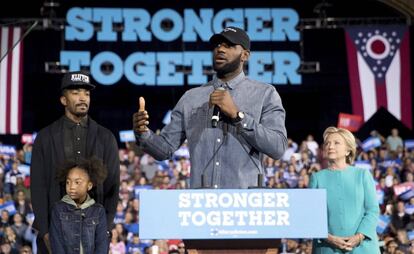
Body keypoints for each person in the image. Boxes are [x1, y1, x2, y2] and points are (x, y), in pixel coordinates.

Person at [133, 27, 287, 189]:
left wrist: (238, 116)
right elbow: (165, 149)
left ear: (245, 55)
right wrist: (143, 133)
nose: (220, 49)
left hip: (245, 205)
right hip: (202, 206)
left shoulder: (265, 94)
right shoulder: (191, 98)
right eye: (218, 45)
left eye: (229, 45)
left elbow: (277, 147)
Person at [30, 71, 120, 253]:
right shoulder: (45, 137)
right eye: (76, 92)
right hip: (55, 230)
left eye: (87, 94)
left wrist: (106, 230)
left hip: (93, 230)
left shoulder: (106, 137)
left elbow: (113, 187)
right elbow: (38, 187)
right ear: (63, 100)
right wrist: (46, 232)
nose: (83, 98)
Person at [309, 127, 380, 253]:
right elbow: (312, 216)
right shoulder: (316, 178)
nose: (330, 146)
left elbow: (373, 210)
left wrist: (359, 237)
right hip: (328, 248)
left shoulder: (363, 175)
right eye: (327, 143)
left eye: (336, 143)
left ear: (348, 150)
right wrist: (329, 238)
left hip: (362, 248)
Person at [49, 157, 109, 253]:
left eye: (77, 182)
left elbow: (101, 244)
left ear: (89, 185)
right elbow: (56, 243)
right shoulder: (58, 209)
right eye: (68, 182)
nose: (72, 187)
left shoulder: (98, 211)